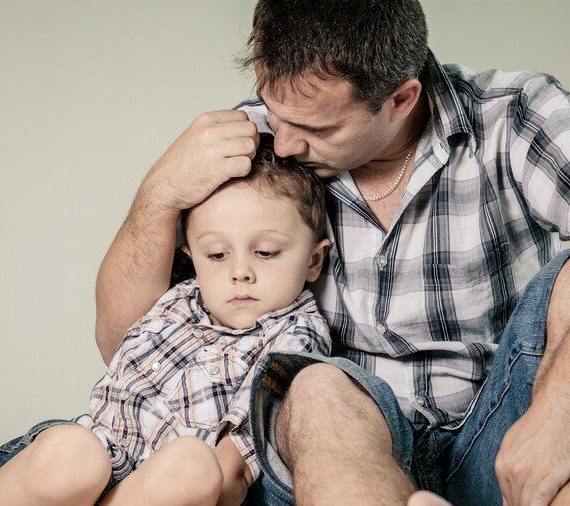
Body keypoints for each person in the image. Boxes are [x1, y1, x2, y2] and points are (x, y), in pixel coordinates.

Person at [93, 0, 570, 505]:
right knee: (319, 386)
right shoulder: (251, 145)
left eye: (319, 129)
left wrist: (560, 408)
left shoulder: (513, 116)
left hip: (499, 423)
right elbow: (125, 344)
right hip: (333, 438)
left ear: (402, 98)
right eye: (277, 115)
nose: (286, 146)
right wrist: (159, 194)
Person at [0, 136, 332, 505]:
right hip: (103, 455)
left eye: (267, 252)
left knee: (194, 467)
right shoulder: (181, 299)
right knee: (71, 449)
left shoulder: (295, 333)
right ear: (192, 256)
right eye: (217, 254)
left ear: (314, 260)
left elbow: (234, 466)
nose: (240, 271)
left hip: (168, 487)